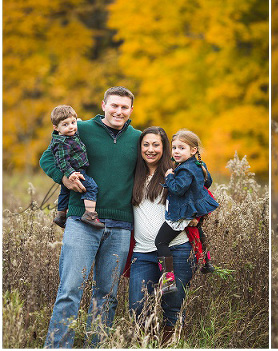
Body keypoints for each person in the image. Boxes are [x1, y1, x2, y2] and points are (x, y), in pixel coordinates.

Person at [40, 86, 141, 348]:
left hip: (120, 225)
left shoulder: (138, 138)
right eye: (114, 105)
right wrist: (64, 178)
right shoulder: (79, 128)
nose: (119, 111)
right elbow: (46, 158)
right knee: (70, 290)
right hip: (81, 222)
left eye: (124, 107)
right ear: (103, 105)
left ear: (131, 110)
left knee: (106, 295)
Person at [128, 126, 197, 344]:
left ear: (164, 147)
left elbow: (195, 198)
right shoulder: (133, 175)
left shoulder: (175, 174)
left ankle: (170, 345)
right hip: (143, 254)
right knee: (138, 306)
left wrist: (192, 218)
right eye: (146, 144)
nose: (150, 149)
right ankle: (145, 345)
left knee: (173, 305)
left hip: (175, 250)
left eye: (156, 145)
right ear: (139, 148)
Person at [154, 129, 219, 295]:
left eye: (181, 148)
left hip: (182, 213)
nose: (176, 151)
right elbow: (208, 182)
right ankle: (206, 261)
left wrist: (169, 176)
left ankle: (168, 280)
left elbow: (178, 189)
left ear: (193, 150)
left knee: (161, 242)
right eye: (174, 147)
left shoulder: (184, 170)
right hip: (194, 210)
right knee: (198, 231)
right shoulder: (199, 165)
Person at [49, 104, 104, 229]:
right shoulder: (62, 142)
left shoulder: (70, 136)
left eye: (73, 122)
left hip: (74, 170)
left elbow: (74, 129)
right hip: (76, 171)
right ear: (56, 128)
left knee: (65, 192)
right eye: (65, 124)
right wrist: (70, 173)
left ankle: (61, 215)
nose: (71, 127)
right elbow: (62, 160)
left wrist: (78, 123)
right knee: (91, 187)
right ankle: (89, 214)